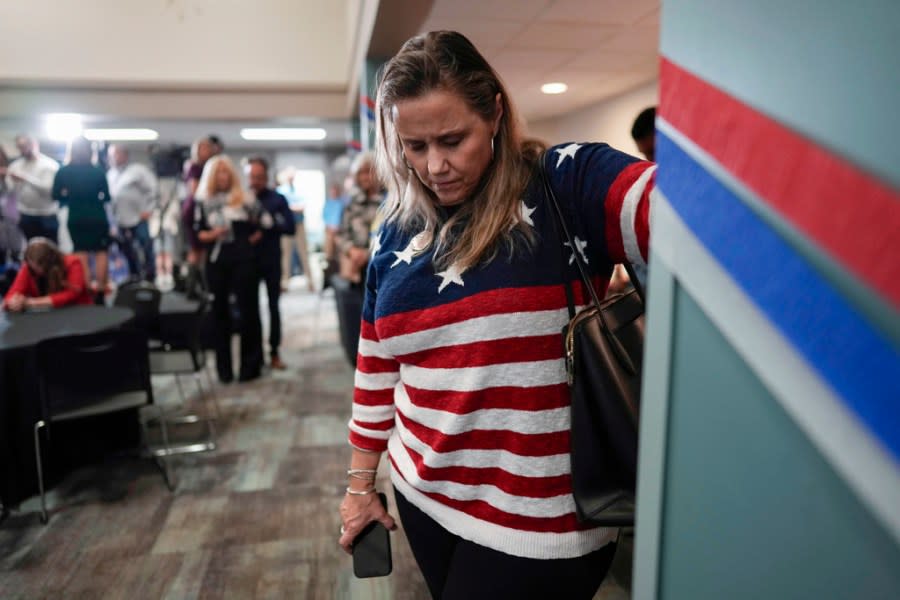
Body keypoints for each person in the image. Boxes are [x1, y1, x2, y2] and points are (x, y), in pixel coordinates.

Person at [337, 31, 655, 600]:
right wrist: (362, 485)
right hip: (424, 494)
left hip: (542, 517)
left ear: (494, 113)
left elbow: (700, 217)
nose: (435, 167)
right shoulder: (395, 230)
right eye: (414, 146)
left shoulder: (569, 181)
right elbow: (377, 368)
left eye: (453, 139)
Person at [193, 155, 263, 383]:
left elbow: (262, 225)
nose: (223, 176)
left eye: (226, 172)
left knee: (248, 312)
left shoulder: (246, 199)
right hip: (217, 261)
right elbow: (197, 234)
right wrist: (214, 234)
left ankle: (250, 368)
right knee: (219, 314)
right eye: (218, 172)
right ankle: (224, 370)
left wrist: (247, 242)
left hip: (243, 259)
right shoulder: (202, 201)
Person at [245, 156, 295, 371]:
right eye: (252, 177)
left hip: (271, 261)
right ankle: (254, 357)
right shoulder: (242, 199)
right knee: (250, 310)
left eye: (259, 177)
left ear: (266, 177)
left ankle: (274, 353)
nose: (255, 181)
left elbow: (290, 227)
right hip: (246, 262)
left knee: (273, 307)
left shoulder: (278, 199)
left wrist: (270, 225)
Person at [51, 137, 111, 302]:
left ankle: (85, 290)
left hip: (76, 216)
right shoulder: (98, 171)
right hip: (97, 215)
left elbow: (55, 195)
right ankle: (100, 288)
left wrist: (70, 197)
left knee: (81, 252)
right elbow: (106, 197)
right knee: (101, 251)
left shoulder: (64, 171)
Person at [106, 144, 158, 282]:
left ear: (125, 155)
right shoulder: (111, 174)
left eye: (116, 154)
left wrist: (148, 210)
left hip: (138, 217)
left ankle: (150, 276)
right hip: (121, 220)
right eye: (111, 155)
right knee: (127, 249)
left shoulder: (137, 171)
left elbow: (152, 190)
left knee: (145, 246)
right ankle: (133, 275)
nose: (113, 157)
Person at [3, 237, 92, 310]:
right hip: (45, 313)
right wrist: (13, 302)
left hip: (75, 309)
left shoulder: (72, 263)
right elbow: (13, 293)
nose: (38, 271)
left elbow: (74, 292)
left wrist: (31, 302)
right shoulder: (28, 268)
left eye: (41, 266)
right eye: (34, 267)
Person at [4, 135, 60, 243]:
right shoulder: (15, 166)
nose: (23, 150)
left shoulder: (50, 165)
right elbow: (10, 191)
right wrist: (11, 180)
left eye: (25, 146)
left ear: (34, 144)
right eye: (20, 147)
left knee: (50, 250)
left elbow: (49, 190)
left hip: (47, 215)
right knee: (30, 249)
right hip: (26, 214)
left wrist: (25, 178)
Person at [336, 151, 382, 284]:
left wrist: (367, 254)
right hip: (356, 264)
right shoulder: (351, 201)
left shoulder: (388, 200)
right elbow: (341, 233)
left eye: (369, 172)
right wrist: (351, 250)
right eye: (361, 173)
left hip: (380, 261)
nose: (365, 177)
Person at [276, 167, 314, 291]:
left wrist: (290, 208)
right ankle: (284, 283)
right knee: (285, 255)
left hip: (299, 225)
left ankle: (310, 282)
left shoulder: (299, 190)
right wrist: (292, 208)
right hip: (286, 227)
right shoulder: (281, 191)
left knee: (304, 253)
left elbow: (302, 206)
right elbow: (282, 209)